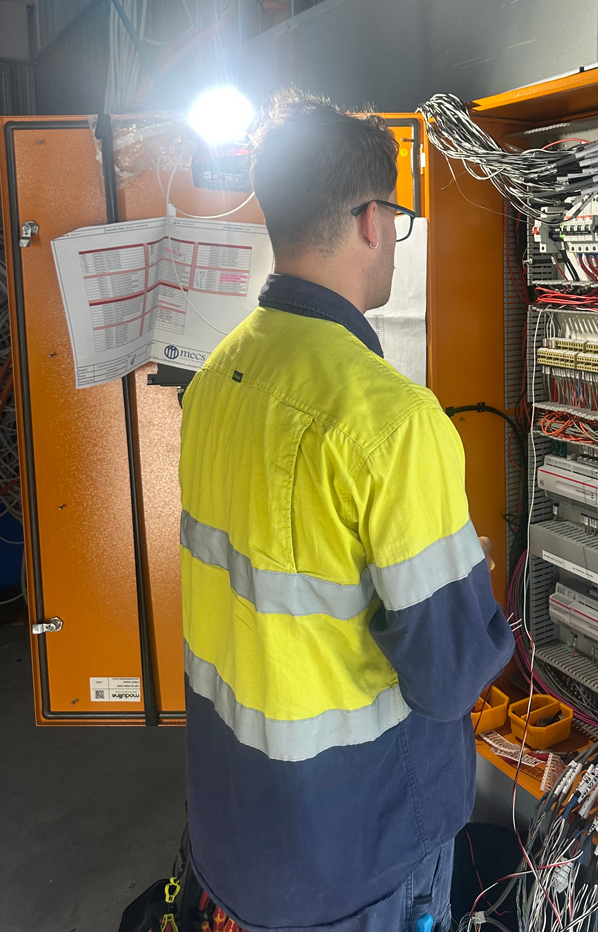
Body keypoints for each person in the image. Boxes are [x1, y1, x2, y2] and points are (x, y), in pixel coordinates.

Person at [178, 91, 514, 932]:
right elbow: (445, 677)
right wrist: (470, 586)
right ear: (372, 218)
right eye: (396, 218)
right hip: (358, 853)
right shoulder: (392, 421)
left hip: (238, 831)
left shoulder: (216, 377)